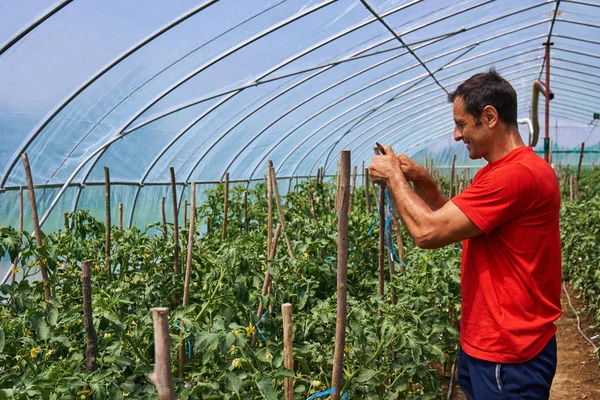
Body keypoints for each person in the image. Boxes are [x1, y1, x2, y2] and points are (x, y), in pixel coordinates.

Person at [369, 69, 562, 399]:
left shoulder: (515, 176)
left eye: (461, 124)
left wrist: (394, 180)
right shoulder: (498, 172)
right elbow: (454, 222)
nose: (457, 135)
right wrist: (424, 182)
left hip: (509, 352)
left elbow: (428, 233)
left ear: (489, 117)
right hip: (488, 343)